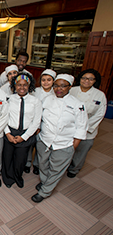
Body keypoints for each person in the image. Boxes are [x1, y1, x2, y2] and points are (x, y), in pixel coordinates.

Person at [32, 74, 88, 203]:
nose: (59, 89)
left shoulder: (77, 104)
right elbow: (39, 117)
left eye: (63, 86)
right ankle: (46, 182)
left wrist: (72, 147)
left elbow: (81, 128)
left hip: (64, 143)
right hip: (45, 140)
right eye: (56, 85)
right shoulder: (47, 99)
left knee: (56, 169)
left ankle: (45, 191)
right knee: (43, 164)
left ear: (70, 86)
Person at [2, 72, 42, 188]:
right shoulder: (9, 99)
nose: (22, 88)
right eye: (19, 85)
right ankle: (8, 178)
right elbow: (3, 117)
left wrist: (24, 137)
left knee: (20, 159)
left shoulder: (36, 102)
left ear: (29, 86)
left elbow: (36, 122)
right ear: (14, 85)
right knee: (7, 157)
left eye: (25, 85)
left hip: (26, 134)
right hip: (10, 132)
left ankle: (17, 176)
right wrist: (8, 133)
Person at [67, 69, 107, 178]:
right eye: (84, 78)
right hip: (69, 125)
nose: (86, 81)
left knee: (81, 150)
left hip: (88, 128)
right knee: (66, 148)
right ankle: (63, 165)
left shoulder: (100, 95)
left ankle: (74, 169)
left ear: (95, 81)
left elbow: (99, 114)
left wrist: (83, 127)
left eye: (90, 79)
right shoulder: (71, 90)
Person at [24, 69, 56, 175]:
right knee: (29, 145)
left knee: (41, 146)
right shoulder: (34, 91)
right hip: (32, 122)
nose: (46, 82)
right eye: (43, 80)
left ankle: (37, 165)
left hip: (47, 124)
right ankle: (28, 163)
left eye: (49, 80)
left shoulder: (56, 93)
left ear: (53, 81)